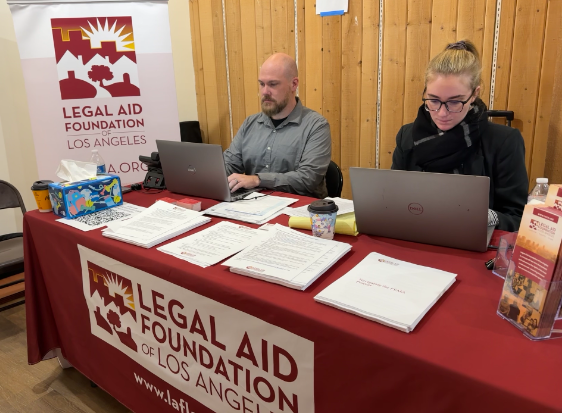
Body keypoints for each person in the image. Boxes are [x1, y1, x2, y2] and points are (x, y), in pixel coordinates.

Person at [391, 40, 528, 231]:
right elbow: (394, 198)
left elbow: (517, 218)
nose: (442, 113)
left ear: (474, 94)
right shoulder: (407, 135)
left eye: (455, 102)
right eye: (433, 100)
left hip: (475, 247)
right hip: (418, 236)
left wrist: (488, 217)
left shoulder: (504, 141)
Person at [223, 53, 331, 199]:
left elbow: (308, 178)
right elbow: (229, 164)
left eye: (273, 84)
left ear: (294, 84)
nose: (265, 92)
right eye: (262, 84)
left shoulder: (316, 126)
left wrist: (257, 179)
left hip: (298, 210)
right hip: (253, 206)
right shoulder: (250, 123)